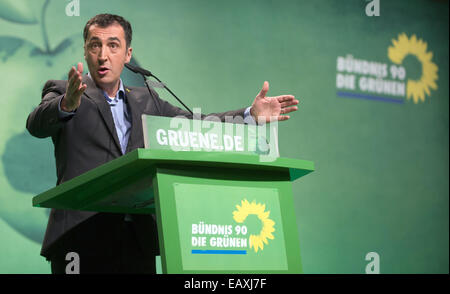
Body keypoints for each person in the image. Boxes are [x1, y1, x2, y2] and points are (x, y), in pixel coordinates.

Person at [26, 13, 299, 274]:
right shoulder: (64, 91)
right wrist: (66, 104)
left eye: (113, 45)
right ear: (85, 51)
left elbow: (197, 125)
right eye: (95, 45)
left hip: (137, 240)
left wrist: (249, 116)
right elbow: (36, 124)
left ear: (128, 55)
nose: (103, 55)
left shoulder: (148, 100)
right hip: (80, 238)